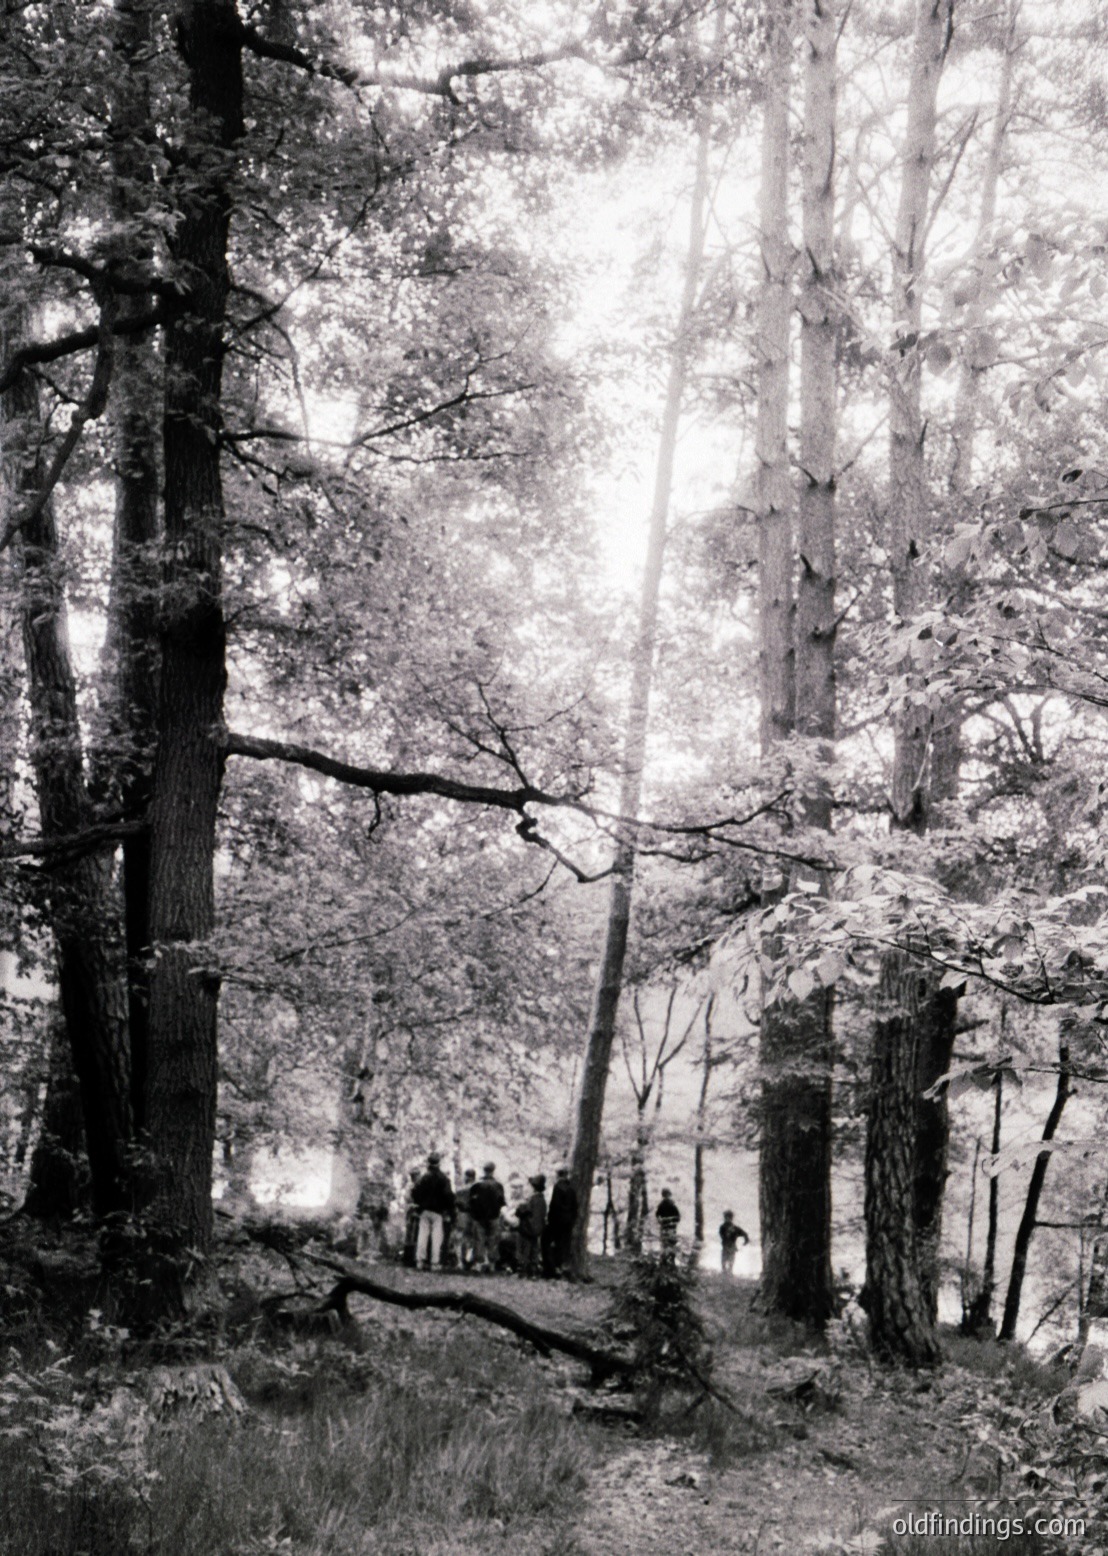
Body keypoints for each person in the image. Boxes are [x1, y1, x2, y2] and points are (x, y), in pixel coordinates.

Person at [412, 1152, 455, 1270]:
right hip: (438, 1212)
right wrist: (448, 1210)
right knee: (437, 1237)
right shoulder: (444, 1179)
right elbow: (449, 1196)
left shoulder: (424, 1177)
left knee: (422, 1235)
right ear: (439, 1162)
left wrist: (419, 1205)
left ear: (428, 1162)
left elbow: (415, 1191)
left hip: (425, 1210)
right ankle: (435, 1262)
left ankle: (420, 1261)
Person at [468, 1161, 506, 1272]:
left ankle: (479, 1264)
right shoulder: (498, 1185)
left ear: (483, 1170)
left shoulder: (476, 1185)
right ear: (493, 1170)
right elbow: (502, 1201)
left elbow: (471, 1202)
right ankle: (492, 1264)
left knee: (479, 1240)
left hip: (479, 1217)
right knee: (493, 1240)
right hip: (494, 1216)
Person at [545, 1166, 578, 1277]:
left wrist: (550, 1220)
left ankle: (557, 1268)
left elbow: (554, 1206)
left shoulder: (557, 1188)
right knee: (565, 1245)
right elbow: (575, 1207)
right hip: (568, 1221)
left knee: (556, 1245)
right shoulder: (572, 1188)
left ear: (558, 1175)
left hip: (557, 1221)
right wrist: (572, 1219)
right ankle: (565, 1267)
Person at [453, 1167, 477, 1269]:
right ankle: (469, 1260)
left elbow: (456, 1202)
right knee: (471, 1239)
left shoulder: (460, 1190)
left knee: (459, 1239)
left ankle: (460, 1262)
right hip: (474, 1216)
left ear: (466, 1177)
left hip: (462, 1215)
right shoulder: (477, 1190)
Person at [525, 1174, 547, 1276]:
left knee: (528, 1247)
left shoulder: (532, 1199)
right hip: (539, 1227)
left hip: (530, 1226)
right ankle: (534, 1269)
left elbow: (527, 1212)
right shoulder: (542, 1200)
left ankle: (527, 1269)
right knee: (535, 1248)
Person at [719, 1210, 749, 1276]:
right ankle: (724, 1271)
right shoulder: (722, 1227)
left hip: (731, 1246)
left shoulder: (735, 1228)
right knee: (724, 1260)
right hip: (726, 1246)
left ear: (731, 1218)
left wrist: (746, 1240)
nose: (727, 1219)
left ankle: (729, 1271)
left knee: (730, 1260)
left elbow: (744, 1234)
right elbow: (722, 1235)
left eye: (729, 1218)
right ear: (724, 1218)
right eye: (726, 1218)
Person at [655, 1187, 681, 1257]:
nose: (666, 1196)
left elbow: (678, 1217)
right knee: (664, 1243)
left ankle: (671, 1260)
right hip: (664, 1227)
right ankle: (664, 1260)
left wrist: (673, 1222)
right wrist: (660, 1221)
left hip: (671, 1227)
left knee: (671, 1243)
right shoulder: (661, 1205)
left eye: (667, 1195)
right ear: (663, 1196)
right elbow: (657, 1215)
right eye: (665, 1195)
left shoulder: (672, 1205)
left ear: (669, 1195)